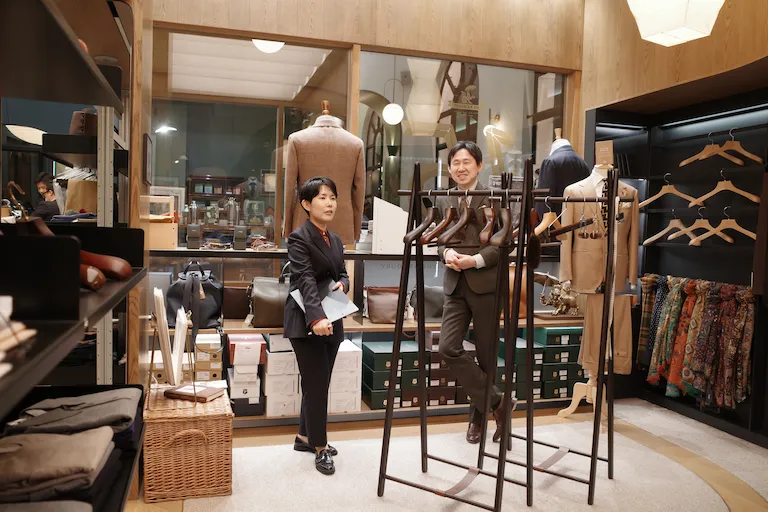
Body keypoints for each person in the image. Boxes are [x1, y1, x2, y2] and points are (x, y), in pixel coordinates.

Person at [436, 141, 516, 445]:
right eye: (455, 163)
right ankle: (498, 403)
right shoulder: (443, 198)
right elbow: (438, 238)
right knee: (447, 347)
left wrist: (476, 260)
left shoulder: (496, 197)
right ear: (449, 168)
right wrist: (446, 254)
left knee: (486, 356)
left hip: (486, 284)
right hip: (455, 284)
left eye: (466, 162)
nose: (461, 168)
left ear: (479, 165)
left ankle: (478, 420)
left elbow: (504, 243)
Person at [283, 176, 350, 476]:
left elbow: (343, 272)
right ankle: (320, 447)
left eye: (332, 197)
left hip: (333, 315)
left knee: (318, 382)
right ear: (307, 204)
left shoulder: (334, 239)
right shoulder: (299, 238)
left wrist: (344, 284)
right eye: (322, 198)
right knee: (316, 384)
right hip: (306, 319)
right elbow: (305, 279)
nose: (329, 203)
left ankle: (303, 437)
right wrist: (316, 318)